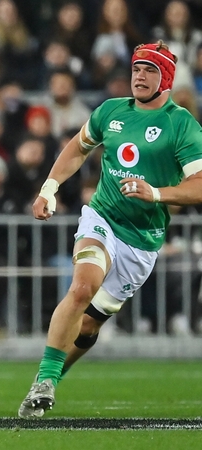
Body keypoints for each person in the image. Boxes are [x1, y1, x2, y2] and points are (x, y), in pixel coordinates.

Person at [18, 41, 202, 418]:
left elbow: (199, 184)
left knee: (87, 328)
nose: (139, 75)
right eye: (136, 68)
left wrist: (156, 193)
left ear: (165, 77)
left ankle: (49, 381)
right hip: (102, 218)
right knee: (82, 286)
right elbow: (76, 148)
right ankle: (45, 379)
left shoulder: (180, 124)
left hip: (143, 241)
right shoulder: (110, 111)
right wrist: (49, 189)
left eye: (150, 69)